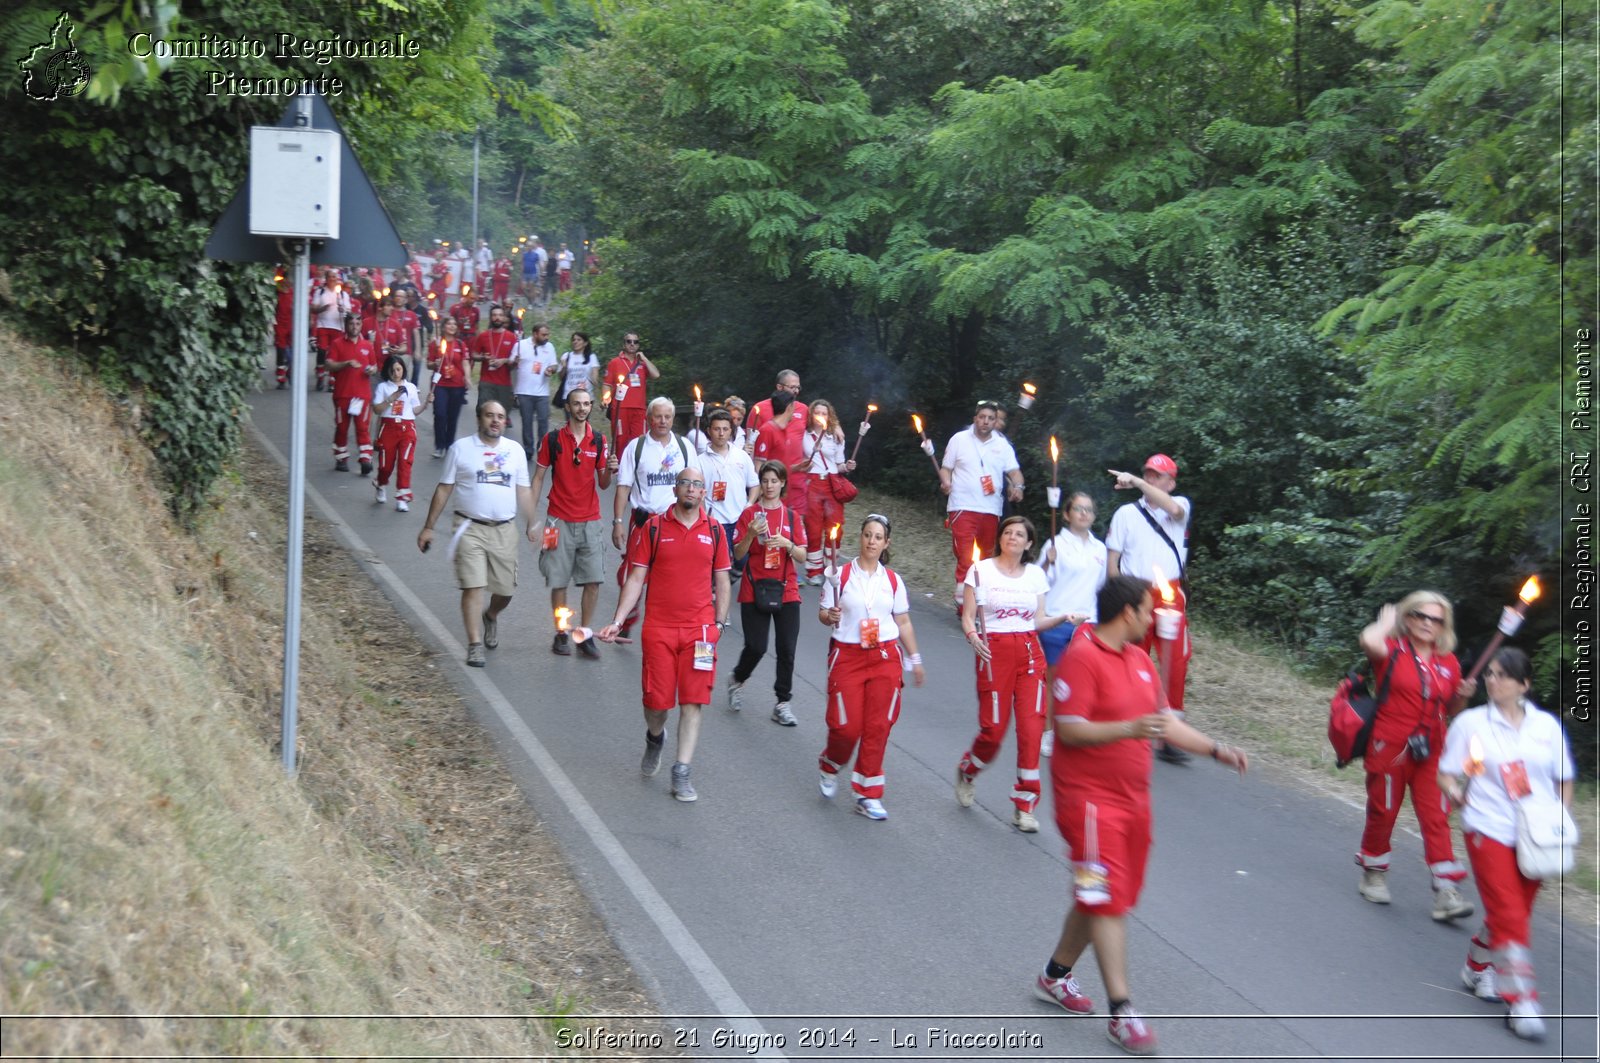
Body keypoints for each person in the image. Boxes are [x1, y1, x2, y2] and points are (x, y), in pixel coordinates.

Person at [1035, 575, 1248, 1053]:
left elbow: (1165, 722)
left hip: (1133, 802)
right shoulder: (1081, 657)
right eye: (1148, 611)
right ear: (1128, 612)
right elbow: (1069, 730)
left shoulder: (1139, 660)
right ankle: (1122, 1011)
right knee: (1104, 897)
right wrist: (1129, 727)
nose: (1152, 619)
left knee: (1104, 895)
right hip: (1088, 807)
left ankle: (1053, 976)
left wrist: (1217, 749)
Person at [1439, 647, 1576, 1042]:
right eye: (1490, 674)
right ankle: (1522, 1001)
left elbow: (1564, 777)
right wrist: (1458, 792)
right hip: (1488, 827)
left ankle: (1476, 966)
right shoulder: (1471, 723)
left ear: (1524, 685)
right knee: (1510, 913)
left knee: (1512, 912)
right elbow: (1447, 774)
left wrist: (1559, 819)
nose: (1491, 680)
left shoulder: (1546, 727)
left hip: (1536, 836)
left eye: (1501, 675)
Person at [598, 468, 733, 803]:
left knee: (693, 700)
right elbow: (635, 578)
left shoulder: (714, 531)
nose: (691, 488)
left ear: (704, 493)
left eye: (698, 484)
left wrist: (718, 625)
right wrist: (618, 619)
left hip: (700, 633)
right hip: (659, 629)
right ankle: (655, 737)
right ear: (675, 490)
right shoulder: (654, 528)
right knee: (657, 703)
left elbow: (723, 582)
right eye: (685, 483)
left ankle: (681, 771)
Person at [1355, 592, 1477, 918]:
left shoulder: (1448, 661)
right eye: (1419, 615)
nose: (1427, 623)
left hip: (1434, 748)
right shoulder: (1392, 649)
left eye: (1435, 619)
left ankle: (1446, 892)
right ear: (1407, 618)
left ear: (1443, 626)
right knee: (1384, 810)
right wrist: (1385, 622)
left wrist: (1463, 697)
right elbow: (1368, 640)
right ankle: (1374, 874)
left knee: (1437, 815)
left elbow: (1449, 708)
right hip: (1391, 746)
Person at [954, 516, 1073, 832]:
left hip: (1030, 653)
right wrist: (973, 636)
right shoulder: (980, 571)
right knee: (993, 730)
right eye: (1007, 532)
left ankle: (1025, 804)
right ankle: (968, 769)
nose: (1012, 538)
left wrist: (1062, 618)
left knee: (1032, 729)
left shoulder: (1035, 576)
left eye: (1020, 534)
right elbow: (968, 617)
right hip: (993, 651)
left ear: (1029, 543)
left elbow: (1038, 620)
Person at [817, 514, 926, 820]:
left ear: (886, 543)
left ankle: (867, 792)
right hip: (848, 655)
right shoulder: (840, 575)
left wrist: (914, 659)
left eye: (878, 537)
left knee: (878, 726)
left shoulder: (892, 581)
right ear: (860, 537)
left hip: (884, 657)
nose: (871, 541)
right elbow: (824, 613)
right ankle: (830, 763)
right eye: (867, 535)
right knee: (846, 727)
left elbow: (902, 621)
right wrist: (830, 617)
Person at [416, 401, 536, 668]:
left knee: (506, 591)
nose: (495, 420)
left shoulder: (514, 451)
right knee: (473, 586)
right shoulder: (461, 449)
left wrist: (532, 522)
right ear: (479, 418)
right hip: (468, 528)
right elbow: (444, 489)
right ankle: (474, 644)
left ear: (506, 422)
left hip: (504, 529)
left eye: (501, 417)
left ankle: (491, 615)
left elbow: (524, 491)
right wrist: (428, 527)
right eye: (490, 415)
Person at [1105, 455, 1192, 753]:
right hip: (1134, 592)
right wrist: (1116, 596)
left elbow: (1173, 508)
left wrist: (1138, 482)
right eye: (1148, 475)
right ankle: (1130, 723)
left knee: (1175, 661)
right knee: (1131, 657)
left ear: (1171, 482)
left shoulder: (1180, 505)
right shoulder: (1126, 514)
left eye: (1157, 476)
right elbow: (1113, 560)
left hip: (1169, 592)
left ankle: (1171, 732)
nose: (1151, 480)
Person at [531, 387, 612, 659]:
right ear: (568, 407)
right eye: (576, 404)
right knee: (558, 578)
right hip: (557, 520)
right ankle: (561, 632)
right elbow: (539, 477)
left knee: (593, 580)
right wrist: (532, 516)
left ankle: (584, 633)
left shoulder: (598, 441)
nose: (581, 408)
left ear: (591, 407)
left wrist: (610, 469)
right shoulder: (552, 439)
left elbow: (603, 484)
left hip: (590, 521)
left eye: (586, 404)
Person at [728, 460, 808, 725]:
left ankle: (782, 702)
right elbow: (738, 553)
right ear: (760, 484)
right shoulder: (750, 514)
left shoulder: (792, 517)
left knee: (787, 648)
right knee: (757, 646)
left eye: (775, 481)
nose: (770, 486)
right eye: (765, 481)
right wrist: (750, 535)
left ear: (783, 483)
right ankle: (738, 678)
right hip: (754, 587)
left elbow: (802, 556)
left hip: (786, 589)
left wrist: (787, 544)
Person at [611, 397, 694, 635]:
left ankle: (664, 623)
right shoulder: (635, 448)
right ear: (648, 419)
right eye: (658, 416)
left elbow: (695, 483)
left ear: (673, 419)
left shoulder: (684, 447)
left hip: (675, 522)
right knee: (630, 574)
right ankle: (627, 616)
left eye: (667, 417)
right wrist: (617, 522)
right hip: (644, 522)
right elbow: (624, 487)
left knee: (671, 577)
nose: (663, 421)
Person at [940, 401, 1023, 610]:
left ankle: (975, 603)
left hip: (991, 509)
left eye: (990, 418)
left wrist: (1018, 486)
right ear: (975, 418)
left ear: (995, 421)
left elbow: (1014, 472)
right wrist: (946, 481)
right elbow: (946, 468)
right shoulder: (959, 439)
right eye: (982, 417)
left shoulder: (1002, 445)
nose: (985, 421)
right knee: (966, 555)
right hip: (962, 505)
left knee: (985, 559)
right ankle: (963, 599)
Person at [798, 400, 856, 585]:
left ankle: (830, 568)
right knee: (813, 529)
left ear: (829, 416)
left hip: (831, 483)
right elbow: (800, 460)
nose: (821, 416)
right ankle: (813, 571)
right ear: (811, 415)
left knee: (835, 527)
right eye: (817, 413)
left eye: (824, 413)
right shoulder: (804, 435)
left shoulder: (835, 437)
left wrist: (847, 466)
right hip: (812, 483)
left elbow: (839, 464)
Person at [697, 409, 760, 577]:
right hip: (716, 520)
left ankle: (728, 580)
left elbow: (754, 485)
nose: (721, 433)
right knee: (718, 564)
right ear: (709, 431)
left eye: (725, 429)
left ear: (731, 431)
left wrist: (750, 504)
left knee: (742, 560)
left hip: (740, 518)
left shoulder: (741, 456)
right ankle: (715, 591)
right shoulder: (700, 460)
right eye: (717, 429)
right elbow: (698, 493)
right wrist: (704, 517)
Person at [370, 354, 428, 512]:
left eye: (399, 369)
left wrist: (426, 404)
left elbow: (415, 410)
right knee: (386, 466)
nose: (396, 373)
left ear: (403, 369)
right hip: (388, 428)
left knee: (405, 463)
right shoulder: (383, 387)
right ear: (387, 371)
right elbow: (376, 409)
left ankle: (402, 497)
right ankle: (381, 484)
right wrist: (391, 399)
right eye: (393, 370)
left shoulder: (410, 387)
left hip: (407, 428)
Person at [326, 313, 378, 475]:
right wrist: (346, 364)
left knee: (362, 427)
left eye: (357, 324)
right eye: (351, 324)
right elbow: (329, 364)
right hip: (342, 394)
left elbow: (374, 366)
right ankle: (341, 457)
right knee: (342, 428)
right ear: (346, 325)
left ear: (361, 326)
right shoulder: (337, 344)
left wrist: (371, 370)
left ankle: (365, 459)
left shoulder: (368, 346)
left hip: (362, 395)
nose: (354, 327)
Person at [751, 390, 807, 521]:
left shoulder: (784, 430)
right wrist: (762, 493)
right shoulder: (767, 430)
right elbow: (758, 465)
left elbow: (778, 464)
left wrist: (796, 468)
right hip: (771, 497)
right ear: (789, 407)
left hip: (784, 495)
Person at [603, 333, 660, 454]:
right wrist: (606, 399)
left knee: (640, 441)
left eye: (635, 342)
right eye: (629, 341)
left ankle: (637, 469)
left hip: (639, 409)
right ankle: (619, 469)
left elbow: (656, 375)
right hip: (620, 407)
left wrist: (644, 358)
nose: (632, 344)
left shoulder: (642, 364)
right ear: (624, 344)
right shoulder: (614, 362)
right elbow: (607, 384)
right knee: (620, 441)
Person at [426, 317, 472, 459]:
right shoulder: (436, 343)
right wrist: (435, 363)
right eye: (449, 323)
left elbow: (465, 363)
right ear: (444, 326)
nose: (452, 326)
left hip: (456, 385)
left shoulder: (460, 344)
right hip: (440, 384)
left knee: (452, 416)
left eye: (454, 324)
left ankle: (449, 445)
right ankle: (439, 445)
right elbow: (428, 363)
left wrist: (468, 377)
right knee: (440, 414)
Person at [511, 321, 557, 457]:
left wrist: (550, 369)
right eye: (543, 335)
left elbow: (554, 365)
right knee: (527, 421)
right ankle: (528, 449)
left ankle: (542, 447)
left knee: (543, 420)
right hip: (524, 391)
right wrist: (515, 362)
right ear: (535, 334)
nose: (546, 337)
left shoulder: (550, 347)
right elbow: (511, 365)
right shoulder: (520, 345)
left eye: (548, 334)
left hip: (542, 392)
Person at [309, 268, 352, 392]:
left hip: (338, 327)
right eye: (330, 277)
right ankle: (320, 376)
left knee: (334, 354)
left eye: (335, 277)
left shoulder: (343, 294)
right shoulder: (320, 291)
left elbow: (348, 311)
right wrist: (322, 309)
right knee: (322, 351)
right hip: (323, 325)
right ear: (326, 279)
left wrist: (342, 309)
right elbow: (313, 308)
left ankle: (332, 380)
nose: (333, 279)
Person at [557, 332, 600, 414]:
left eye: (579, 340)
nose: (575, 342)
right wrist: (564, 367)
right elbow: (561, 378)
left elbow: (595, 379)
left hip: (586, 396)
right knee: (570, 423)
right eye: (573, 340)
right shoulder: (566, 356)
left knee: (583, 424)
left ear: (585, 343)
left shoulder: (591, 357)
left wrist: (595, 379)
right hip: (569, 396)